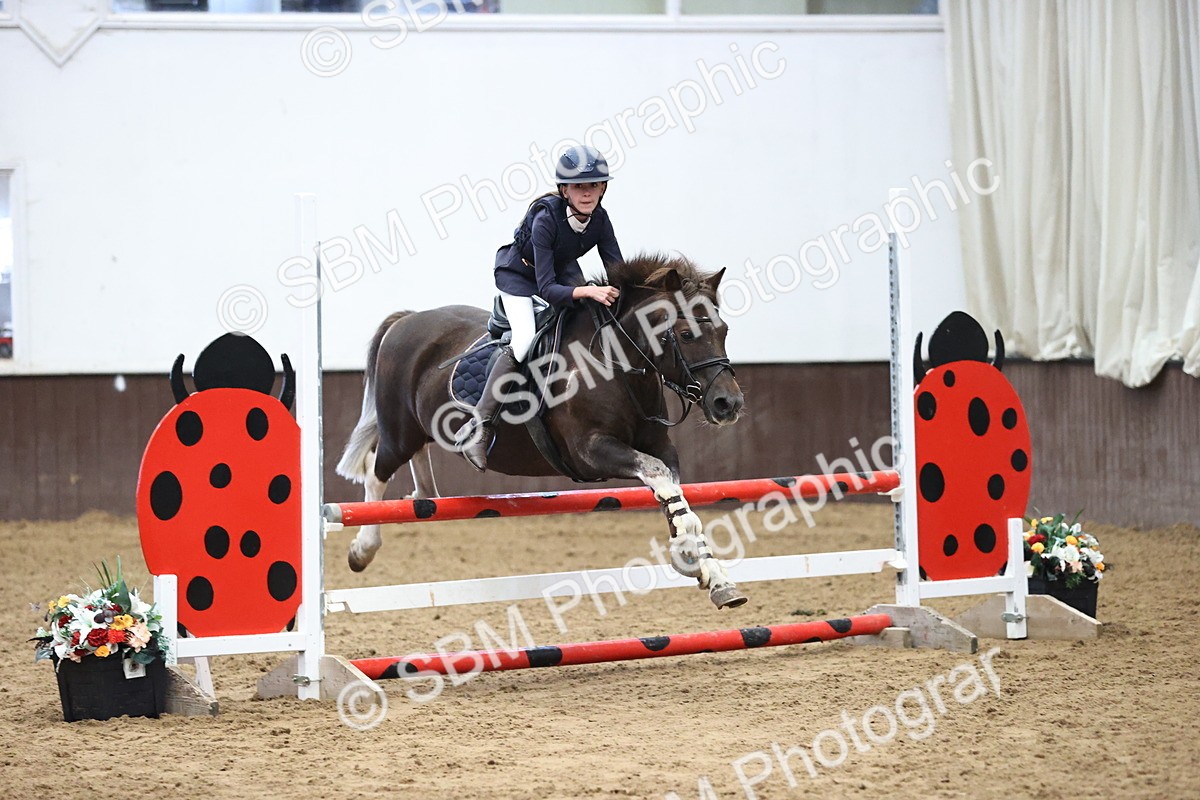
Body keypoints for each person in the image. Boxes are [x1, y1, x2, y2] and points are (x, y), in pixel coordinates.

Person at [459, 144, 624, 471]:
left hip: (559, 270)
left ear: (603, 188)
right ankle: (480, 426)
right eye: (579, 186)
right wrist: (587, 292)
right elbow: (548, 289)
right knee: (524, 338)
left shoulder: (600, 220)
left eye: (593, 185)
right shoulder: (546, 218)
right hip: (519, 274)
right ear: (565, 189)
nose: (586, 193)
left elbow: (618, 269)